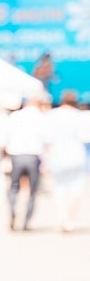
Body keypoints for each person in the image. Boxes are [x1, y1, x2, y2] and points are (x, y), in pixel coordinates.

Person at [5, 91, 52, 231]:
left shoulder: (14, 116)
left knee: (13, 187)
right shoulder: (41, 118)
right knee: (32, 191)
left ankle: (13, 210)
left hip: (16, 155)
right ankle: (25, 222)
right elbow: (47, 141)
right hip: (33, 156)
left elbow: (6, 136)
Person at [46, 90, 88, 232]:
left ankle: (62, 215)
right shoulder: (80, 116)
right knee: (76, 188)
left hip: (57, 155)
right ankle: (69, 218)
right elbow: (86, 137)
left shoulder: (52, 115)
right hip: (76, 155)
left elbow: (47, 138)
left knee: (59, 187)